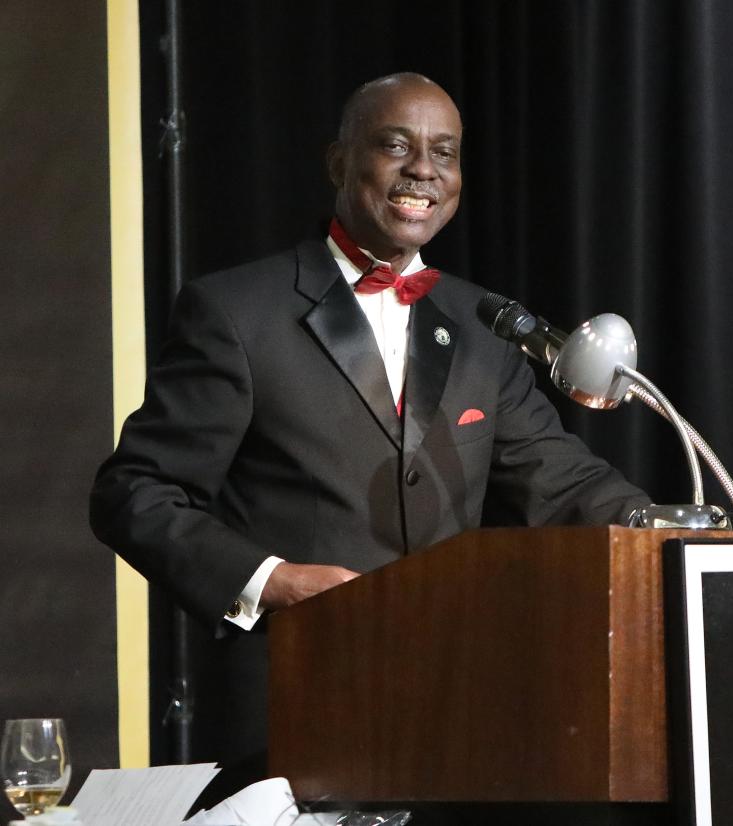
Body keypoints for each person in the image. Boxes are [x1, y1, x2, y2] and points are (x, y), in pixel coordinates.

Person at [89, 73, 650, 772]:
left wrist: (676, 531)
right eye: (395, 145)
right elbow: (135, 492)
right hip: (296, 703)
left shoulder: (483, 326)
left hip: (453, 713)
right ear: (339, 162)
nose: (423, 169)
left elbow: (563, 483)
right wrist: (275, 580)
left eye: (444, 153)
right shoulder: (238, 313)